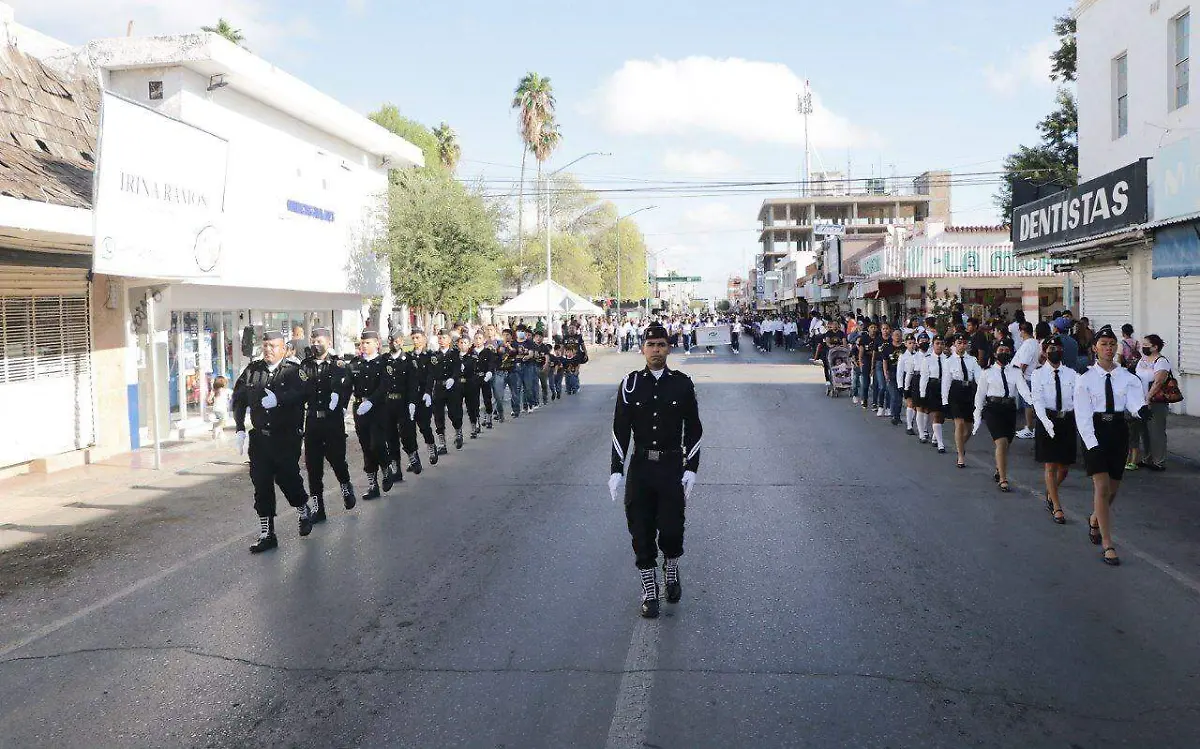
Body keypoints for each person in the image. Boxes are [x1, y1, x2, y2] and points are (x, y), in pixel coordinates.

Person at [609, 323, 703, 619]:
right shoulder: (630, 384)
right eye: (651, 345)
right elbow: (620, 429)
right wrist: (616, 470)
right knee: (641, 528)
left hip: (671, 465)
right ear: (643, 349)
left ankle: (671, 568)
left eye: (661, 345)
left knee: (673, 530)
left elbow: (694, 428)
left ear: (669, 348)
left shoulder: (682, 383)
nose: (656, 350)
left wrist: (692, 467)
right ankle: (650, 590)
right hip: (641, 468)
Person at [1075, 325, 1151, 566]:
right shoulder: (1085, 380)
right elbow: (1083, 416)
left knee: (1113, 488)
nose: (1108, 349)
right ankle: (1108, 543)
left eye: (1112, 344)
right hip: (1095, 432)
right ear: (1095, 348)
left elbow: (1134, 403)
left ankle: (1096, 517)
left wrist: (1142, 411)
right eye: (1104, 344)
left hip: (1118, 431)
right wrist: (1091, 444)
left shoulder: (1128, 378)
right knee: (1102, 487)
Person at [232, 330, 313, 553]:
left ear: (284, 349)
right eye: (265, 345)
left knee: (288, 479)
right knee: (261, 483)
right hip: (260, 439)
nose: (268, 349)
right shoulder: (252, 371)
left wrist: (280, 399)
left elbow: (306, 392)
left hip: (286, 436)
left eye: (273, 346)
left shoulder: (294, 372)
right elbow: (238, 400)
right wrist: (239, 428)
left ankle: (302, 508)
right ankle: (267, 533)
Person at [300, 327, 355, 522]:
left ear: (328, 342)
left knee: (337, 460)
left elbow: (347, 384)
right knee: (313, 467)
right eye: (313, 340)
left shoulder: (338, 365)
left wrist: (341, 404)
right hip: (313, 421)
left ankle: (345, 486)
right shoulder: (304, 366)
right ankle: (318, 508)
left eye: (320, 340)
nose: (316, 344)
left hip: (332, 421)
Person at [972, 338, 1032, 493]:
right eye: (1001, 350)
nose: (1004, 353)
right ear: (995, 353)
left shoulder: (1016, 371)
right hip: (993, 409)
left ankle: (1000, 467)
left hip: (1009, 409)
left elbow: (1023, 390)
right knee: (1001, 442)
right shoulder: (987, 372)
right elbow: (980, 395)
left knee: (1007, 442)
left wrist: (1033, 403)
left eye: (1007, 350)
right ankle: (1003, 478)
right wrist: (977, 413)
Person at [1031, 335, 1078, 524]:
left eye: (1057, 348)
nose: (1054, 351)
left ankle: (1052, 490)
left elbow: (1078, 399)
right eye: (1050, 349)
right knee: (1050, 465)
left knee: (1064, 468)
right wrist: (1044, 421)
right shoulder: (1038, 374)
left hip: (1066, 420)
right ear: (1044, 352)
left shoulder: (1072, 374)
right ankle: (1057, 507)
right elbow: (1038, 400)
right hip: (1047, 419)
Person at [349, 330, 392, 500]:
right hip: (360, 408)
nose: (364, 346)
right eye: (362, 343)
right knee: (366, 447)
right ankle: (373, 485)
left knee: (377, 444)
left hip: (378, 408)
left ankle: (386, 467)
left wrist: (371, 401)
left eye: (368, 343)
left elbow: (385, 386)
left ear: (377, 344)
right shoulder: (355, 364)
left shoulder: (384, 362)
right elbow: (347, 386)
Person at [383, 331, 421, 478]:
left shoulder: (408, 360)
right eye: (392, 340)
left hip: (403, 402)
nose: (394, 343)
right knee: (390, 435)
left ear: (401, 342)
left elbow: (413, 383)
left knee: (407, 432)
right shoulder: (384, 360)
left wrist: (412, 402)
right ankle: (395, 467)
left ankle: (412, 454)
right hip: (388, 403)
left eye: (397, 340)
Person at [942, 333, 981, 468]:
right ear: (954, 344)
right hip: (956, 391)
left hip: (969, 392)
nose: (961, 345)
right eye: (959, 343)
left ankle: (960, 445)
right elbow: (946, 382)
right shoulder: (949, 361)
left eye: (964, 343)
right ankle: (960, 455)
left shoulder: (972, 360)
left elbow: (979, 378)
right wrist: (944, 401)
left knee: (969, 428)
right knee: (959, 423)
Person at [1135, 333, 1172, 471]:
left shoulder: (1161, 361)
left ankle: (1159, 461)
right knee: (1144, 431)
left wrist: (1148, 398)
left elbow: (1158, 382)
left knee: (1156, 431)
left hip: (1156, 401)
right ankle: (1147, 458)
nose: (1143, 347)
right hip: (1142, 400)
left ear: (1155, 347)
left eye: (1146, 345)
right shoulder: (1143, 360)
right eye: (1142, 345)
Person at [431, 329, 465, 454]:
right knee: (438, 416)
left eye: (444, 338)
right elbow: (431, 373)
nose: (441, 341)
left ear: (449, 340)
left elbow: (457, 368)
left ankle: (458, 432)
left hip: (452, 388)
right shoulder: (434, 355)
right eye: (439, 338)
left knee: (454, 414)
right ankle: (442, 443)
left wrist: (453, 378)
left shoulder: (455, 353)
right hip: (439, 388)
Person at [410, 328, 440, 465]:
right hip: (410, 397)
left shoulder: (430, 356)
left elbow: (431, 375)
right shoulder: (409, 356)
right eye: (414, 338)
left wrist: (428, 392)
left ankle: (431, 446)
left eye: (418, 337)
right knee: (408, 429)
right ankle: (414, 457)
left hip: (424, 396)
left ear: (424, 338)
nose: (416, 340)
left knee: (424, 426)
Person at [918, 335, 949, 453]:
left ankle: (936, 437)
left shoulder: (947, 359)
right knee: (936, 414)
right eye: (937, 343)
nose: (939, 346)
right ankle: (941, 444)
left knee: (942, 415)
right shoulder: (928, 359)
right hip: (933, 386)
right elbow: (924, 377)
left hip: (945, 387)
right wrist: (922, 394)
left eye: (941, 343)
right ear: (933, 345)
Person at [1012, 322, 1039, 439]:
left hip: (1027, 377)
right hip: (1030, 377)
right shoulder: (1034, 343)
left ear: (1022, 331)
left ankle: (1029, 428)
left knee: (1027, 404)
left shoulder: (1028, 344)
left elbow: (1024, 364)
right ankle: (1030, 427)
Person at [472, 331, 496, 429]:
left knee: (487, 398)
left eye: (480, 338)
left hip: (485, 378)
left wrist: (490, 372)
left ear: (484, 340)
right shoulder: (470, 352)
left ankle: (489, 417)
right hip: (473, 378)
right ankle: (476, 421)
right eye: (476, 338)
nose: (478, 341)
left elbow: (491, 363)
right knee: (474, 401)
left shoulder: (488, 352)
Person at [208, 375, 231, 440]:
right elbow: (232, 396)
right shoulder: (226, 390)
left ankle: (219, 433)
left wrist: (211, 401)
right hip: (223, 409)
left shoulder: (214, 391)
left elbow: (209, 400)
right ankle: (217, 430)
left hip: (215, 409)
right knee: (224, 421)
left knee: (218, 421)